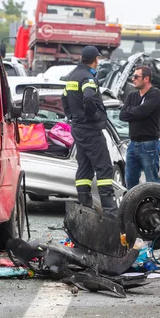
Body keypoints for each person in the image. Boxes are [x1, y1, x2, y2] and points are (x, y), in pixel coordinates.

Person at [61, 45, 117, 217]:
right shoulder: (87, 77)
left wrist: (72, 116)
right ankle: (110, 212)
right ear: (95, 60)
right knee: (104, 168)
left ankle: (85, 208)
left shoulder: (72, 76)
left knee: (84, 169)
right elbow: (89, 97)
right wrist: (92, 116)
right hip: (90, 129)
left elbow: (63, 98)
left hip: (78, 128)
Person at [119, 66, 160, 189]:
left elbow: (143, 111)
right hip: (132, 144)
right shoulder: (132, 95)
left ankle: (155, 207)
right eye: (133, 76)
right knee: (129, 181)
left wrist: (131, 111)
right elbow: (122, 115)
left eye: (136, 77)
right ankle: (132, 207)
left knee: (152, 182)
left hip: (149, 144)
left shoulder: (155, 94)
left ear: (146, 78)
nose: (133, 79)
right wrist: (136, 111)